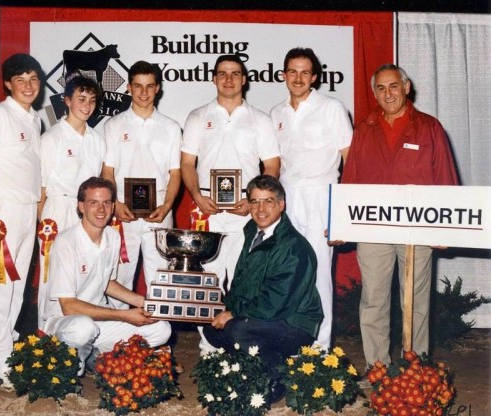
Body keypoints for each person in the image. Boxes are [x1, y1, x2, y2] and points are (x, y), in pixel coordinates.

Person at [341, 64, 458, 366]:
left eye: (394, 86)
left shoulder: (429, 127)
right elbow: (350, 180)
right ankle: (377, 367)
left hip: (417, 228)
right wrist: (342, 222)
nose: (388, 94)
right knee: (373, 300)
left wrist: (447, 229)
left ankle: (415, 368)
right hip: (373, 228)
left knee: (416, 302)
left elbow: (445, 177)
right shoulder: (364, 129)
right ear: (374, 93)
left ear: (406, 87)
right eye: (381, 88)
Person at [203, 175, 323, 404]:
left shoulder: (293, 247)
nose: (261, 209)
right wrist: (222, 309)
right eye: (255, 201)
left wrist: (234, 313)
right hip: (266, 314)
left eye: (268, 201)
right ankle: (254, 367)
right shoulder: (252, 231)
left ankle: (279, 376)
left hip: (294, 322)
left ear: (281, 204)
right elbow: (241, 281)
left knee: (237, 329)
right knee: (211, 327)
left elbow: (275, 302)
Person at [41, 177, 171, 375]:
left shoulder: (113, 236)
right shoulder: (66, 241)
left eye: (107, 202)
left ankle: (98, 356)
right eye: (93, 202)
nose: (101, 209)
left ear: (113, 207)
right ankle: (72, 364)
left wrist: (146, 303)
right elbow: (68, 306)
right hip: (66, 322)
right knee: (83, 328)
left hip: (99, 321)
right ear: (81, 206)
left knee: (161, 328)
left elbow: (107, 283)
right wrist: (124, 315)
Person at [269, 47, 353, 351]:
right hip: (287, 199)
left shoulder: (332, 108)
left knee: (318, 275)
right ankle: (292, 344)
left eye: (305, 72)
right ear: (283, 75)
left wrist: (342, 211)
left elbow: (350, 158)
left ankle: (320, 351)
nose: (298, 78)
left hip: (321, 196)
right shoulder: (276, 113)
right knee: (289, 272)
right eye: (292, 71)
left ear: (314, 77)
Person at [181, 54, 280, 294]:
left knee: (243, 276)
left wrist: (253, 201)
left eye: (235, 74)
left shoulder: (260, 119)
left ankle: (238, 321)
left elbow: (272, 165)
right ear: (214, 79)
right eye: (222, 74)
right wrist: (196, 196)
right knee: (207, 279)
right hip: (207, 207)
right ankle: (210, 322)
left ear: (244, 79)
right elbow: (187, 163)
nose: (228, 79)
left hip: (245, 208)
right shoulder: (197, 116)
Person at [0, 53, 43, 389]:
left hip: (27, 210)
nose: (28, 86)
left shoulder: (34, 119)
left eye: (33, 79)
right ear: (7, 84)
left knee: (16, 288)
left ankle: (7, 355)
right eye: (20, 80)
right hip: (3, 213)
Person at [101, 61, 181, 308]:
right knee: (119, 277)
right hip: (123, 213)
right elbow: (107, 171)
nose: (143, 92)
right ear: (128, 87)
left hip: (159, 213)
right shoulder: (113, 125)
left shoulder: (171, 127)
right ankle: (118, 331)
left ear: (158, 88)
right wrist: (115, 204)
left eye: (149, 86)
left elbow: (175, 173)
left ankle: (160, 329)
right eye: (138, 86)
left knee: (161, 277)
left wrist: (167, 206)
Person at [36, 76, 105, 328]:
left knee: (83, 274)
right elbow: (42, 187)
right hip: (58, 210)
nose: (86, 106)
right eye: (81, 99)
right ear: (67, 101)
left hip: (87, 212)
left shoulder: (97, 139)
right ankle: (45, 336)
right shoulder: (52, 137)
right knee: (52, 276)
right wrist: (43, 222)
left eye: (92, 101)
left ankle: (79, 335)